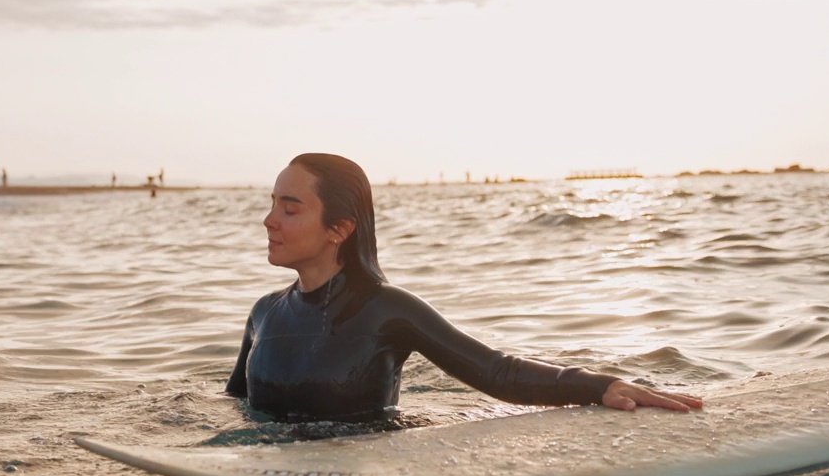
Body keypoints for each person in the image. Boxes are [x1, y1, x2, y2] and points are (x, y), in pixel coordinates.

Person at [226, 153, 702, 421]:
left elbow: (497, 372)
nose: (269, 220)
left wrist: (602, 386)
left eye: (290, 208)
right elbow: (232, 408)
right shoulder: (265, 314)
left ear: (340, 228)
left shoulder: (387, 311)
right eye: (272, 204)